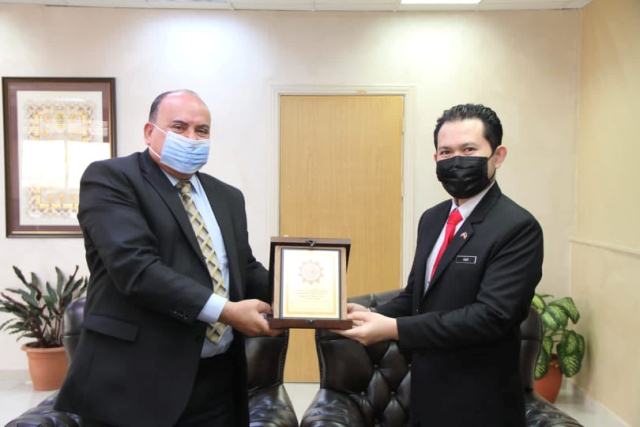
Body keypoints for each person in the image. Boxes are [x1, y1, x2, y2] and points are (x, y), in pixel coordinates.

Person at [55, 90, 276, 427]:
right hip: (134, 381)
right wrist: (227, 311)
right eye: (179, 127)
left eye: (202, 130)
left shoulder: (227, 197)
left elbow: (243, 269)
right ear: (149, 132)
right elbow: (136, 269)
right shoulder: (112, 179)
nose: (191, 138)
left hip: (216, 381)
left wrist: (314, 301)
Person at [339, 104, 544, 427]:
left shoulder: (517, 227)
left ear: (498, 156)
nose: (456, 160)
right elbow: (417, 296)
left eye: (469, 150)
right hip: (425, 392)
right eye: (446, 152)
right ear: (435, 158)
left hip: (481, 402)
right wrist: (369, 314)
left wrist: (393, 328)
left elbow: (492, 317)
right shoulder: (433, 219)